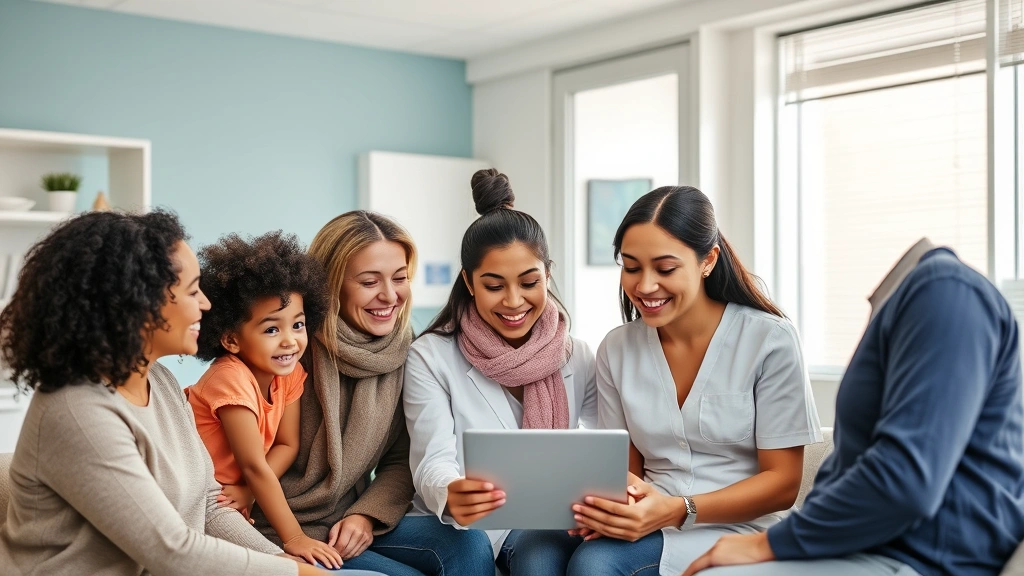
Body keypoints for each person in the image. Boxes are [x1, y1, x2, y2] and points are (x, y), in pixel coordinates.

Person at [0, 211, 372, 576]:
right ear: (138, 302)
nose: (205, 305)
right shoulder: (78, 411)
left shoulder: (160, 382)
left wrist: (286, 562)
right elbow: (172, 552)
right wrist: (298, 575)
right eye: (193, 291)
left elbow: (209, 505)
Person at [683, 239, 1024, 576]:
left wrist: (767, 543)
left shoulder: (945, 293)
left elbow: (905, 482)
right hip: (867, 548)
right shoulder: (916, 300)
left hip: (916, 558)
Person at [566, 186, 821, 576]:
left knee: (595, 565)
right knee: (549, 555)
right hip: (650, 522)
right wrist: (610, 510)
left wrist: (677, 509)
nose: (645, 286)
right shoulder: (616, 349)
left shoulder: (769, 339)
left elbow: (783, 484)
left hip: (742, 528)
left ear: (708, 261)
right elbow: (626, 473)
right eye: (631, 267)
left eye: (665, 269)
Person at [249, 210, 494, 576]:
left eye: (400, 278)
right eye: (369, 282)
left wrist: (365, 515)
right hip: (277, 528)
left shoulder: (405, 350)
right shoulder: (289, 347)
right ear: (330, 284)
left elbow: (402, 460)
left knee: (467, 542)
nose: (390, 296)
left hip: (347, 519)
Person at [403, 168, 598, 575]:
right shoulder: (431, 356)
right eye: (494, 286)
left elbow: (608, 446)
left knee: (544, 561)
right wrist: (451, 493)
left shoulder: (576, 355)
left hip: (548, 520)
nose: (513, 301)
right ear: (469, 282)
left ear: (548, 274)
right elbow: (432, 459)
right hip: (468, 527)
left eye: (529, 282)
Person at [186, 231, 341, 569]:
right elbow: (254, 466)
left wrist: (248, 492)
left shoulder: (290, 374)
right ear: (231, 340)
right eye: (272, 329)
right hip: (202, 501)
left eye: (297, 325)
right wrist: (295, 537)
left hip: (230, 498)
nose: (289, 341)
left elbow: (287, 444)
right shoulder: (229, 378)